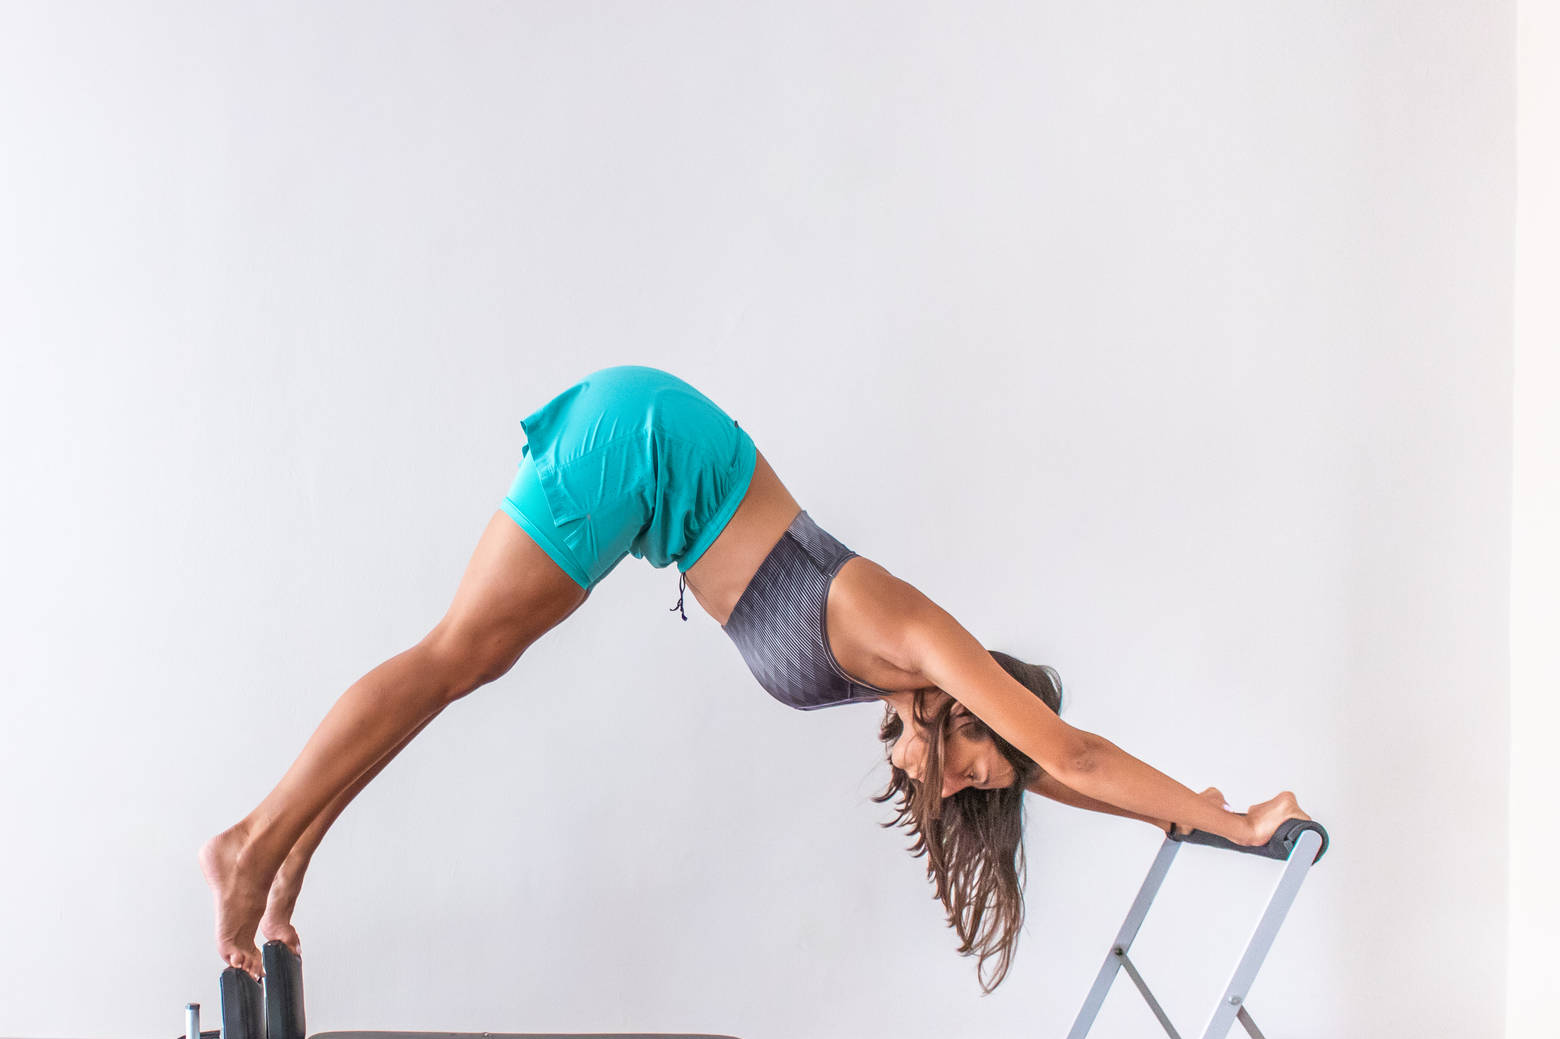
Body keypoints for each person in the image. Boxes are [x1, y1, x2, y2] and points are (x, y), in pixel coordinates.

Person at [201, 365, 1307, 991]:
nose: (971, 786)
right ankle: (252, 846)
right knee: (459, 657)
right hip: (640, 448)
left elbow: (1053, 775)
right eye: (983, 765)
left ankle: (288, 852)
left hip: (646, 459)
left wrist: (1190, 815)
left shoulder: (895, 680)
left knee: (463, 668)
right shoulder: (908, 632)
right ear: (975, 710)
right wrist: (1249, 820)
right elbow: (1069, 752)